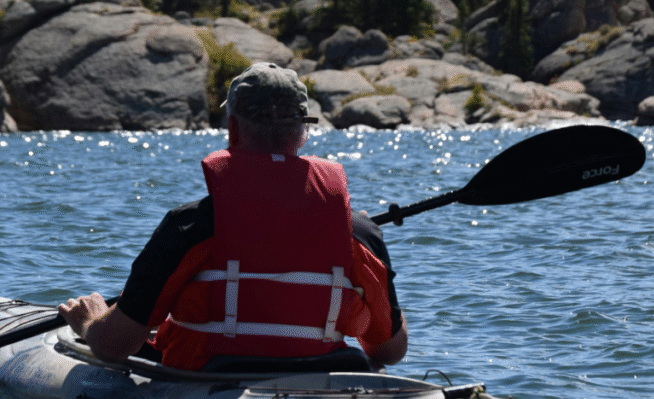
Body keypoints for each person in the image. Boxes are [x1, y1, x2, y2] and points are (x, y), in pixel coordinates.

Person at [59, 62, 407, 371]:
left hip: (211, 385)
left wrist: (89, 324)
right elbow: (390, 350)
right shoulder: (359, 232)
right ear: (303, 132)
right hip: (320, 380)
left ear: (233, 129)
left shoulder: (190, 227)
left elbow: (113, 347)